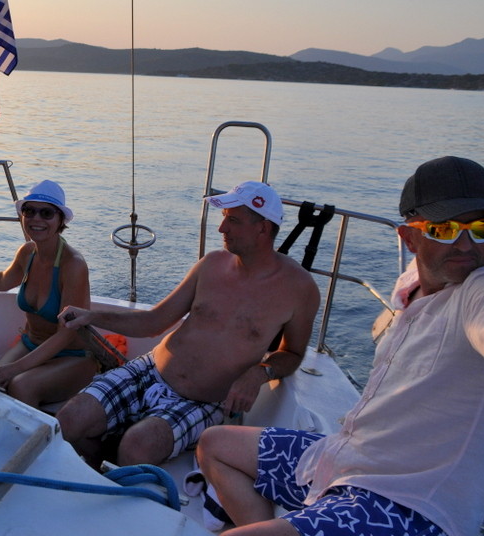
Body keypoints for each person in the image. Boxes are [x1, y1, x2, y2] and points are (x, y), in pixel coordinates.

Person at [196, 156, 484, 536]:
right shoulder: (416, 282)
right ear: (409, 237)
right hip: (349, 457)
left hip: (407, 507)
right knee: (215, 444)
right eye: (444, 229)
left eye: (482, 227)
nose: (467, 244)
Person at [56, 180, 319, 469]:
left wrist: (260, 373)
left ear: (263, 228)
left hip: (205, 402)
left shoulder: (299, 289)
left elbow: (293, 354)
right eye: (223, 220)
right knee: (69, 420)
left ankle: (117, 468)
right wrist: (93, 315)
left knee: (137, 448)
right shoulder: (211, 264)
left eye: (233, 221)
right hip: (151, 370)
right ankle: (97, 469)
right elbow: (154, 322)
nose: (222, 230)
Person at [0, 180, 98, 408]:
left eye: (47, 213)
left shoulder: (73, 265)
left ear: (61, 220)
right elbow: (4, 280)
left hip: (73, 356)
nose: (36, 219)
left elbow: (67, 334)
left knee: (21, 385)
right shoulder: (27, 252)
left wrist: (16, 368)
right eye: (29, 211)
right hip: (31, 344)